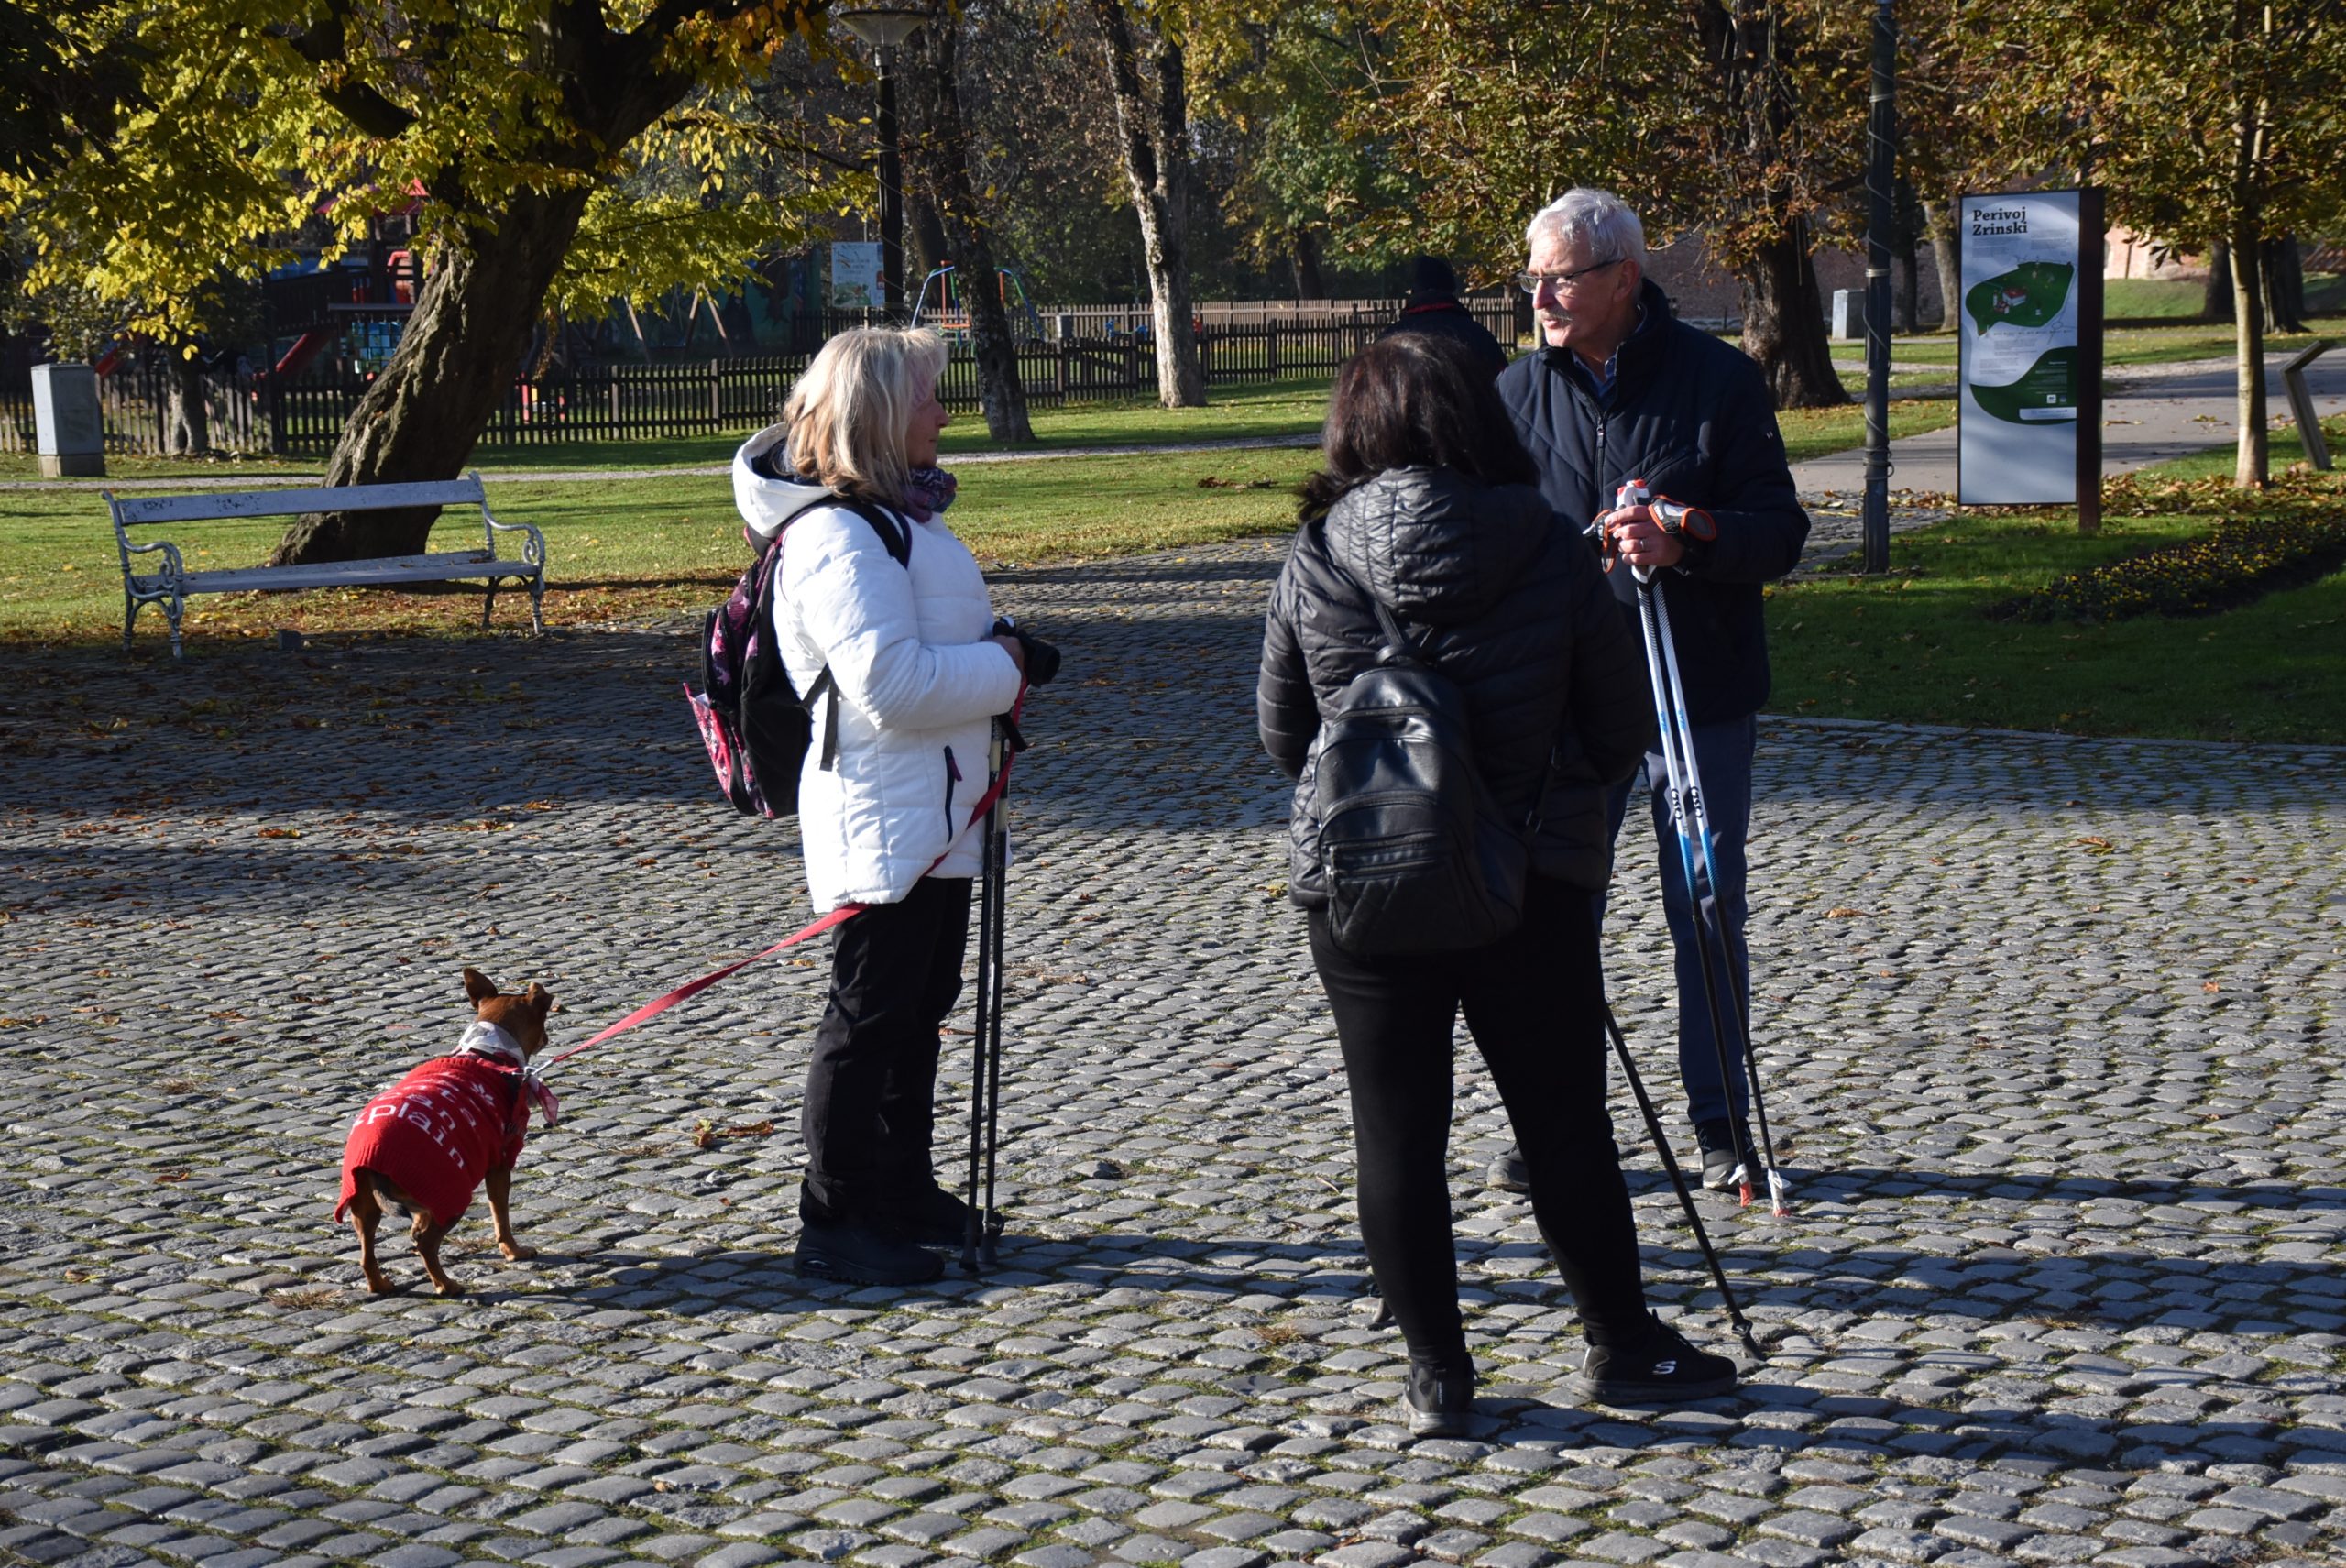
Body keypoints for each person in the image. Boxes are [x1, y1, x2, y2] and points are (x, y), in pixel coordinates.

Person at [1258, 333, 1739, 1435]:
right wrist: (1539, 816)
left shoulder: (1317, 551)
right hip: (1525, 878)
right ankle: (1622, 1342)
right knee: (1564, 1122)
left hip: (1364, 880)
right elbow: (1620, 727)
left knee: (1395, 1131)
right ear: (1478, 419)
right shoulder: (1541, 542)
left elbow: (1285, 735)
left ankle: (1437, 1371)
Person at [1491, 187, 1811, 1194]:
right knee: (1553, 913)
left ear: (1622, 278)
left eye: (1558, 276)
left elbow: (1780, 532)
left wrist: (1689, 533)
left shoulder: (1716, 382)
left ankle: (1720, 1120)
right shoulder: (1513, 394)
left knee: (1704, 900)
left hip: (1693, 687)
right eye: (1531, 275)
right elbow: (1490, 535)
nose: (1539, 292)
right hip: (1566, 694)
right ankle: (1555, 1121)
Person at [734, 325, 1047, 1287]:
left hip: (936, 806)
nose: (944, 414)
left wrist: (998, 648)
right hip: (883, 812)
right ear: (878, 413)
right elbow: (892, 686)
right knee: (869, 1016)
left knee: (918, 1010)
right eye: (927, 399)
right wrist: (1010, 666)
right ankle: (833, 1219)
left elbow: (921, 642)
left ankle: (900, 1187)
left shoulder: (900, 517)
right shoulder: (835, 534)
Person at [1377, 256, 1510, 381]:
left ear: (1413, 291)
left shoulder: (1389, 340)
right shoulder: (1478, 336)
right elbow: (1504, 386)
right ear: (1451, 289)